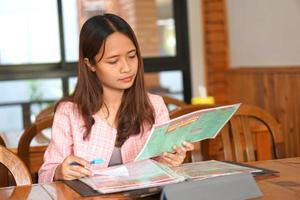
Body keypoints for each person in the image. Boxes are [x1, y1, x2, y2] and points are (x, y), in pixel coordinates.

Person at [38, 13, 194, 183]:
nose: (127, 68)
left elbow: (161, 171)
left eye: (132, 56)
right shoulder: (69, 112)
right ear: (90, 64)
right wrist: (59, 172)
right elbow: (45, 174)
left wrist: (171, 160)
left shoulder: (154, 105)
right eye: (113, 61)